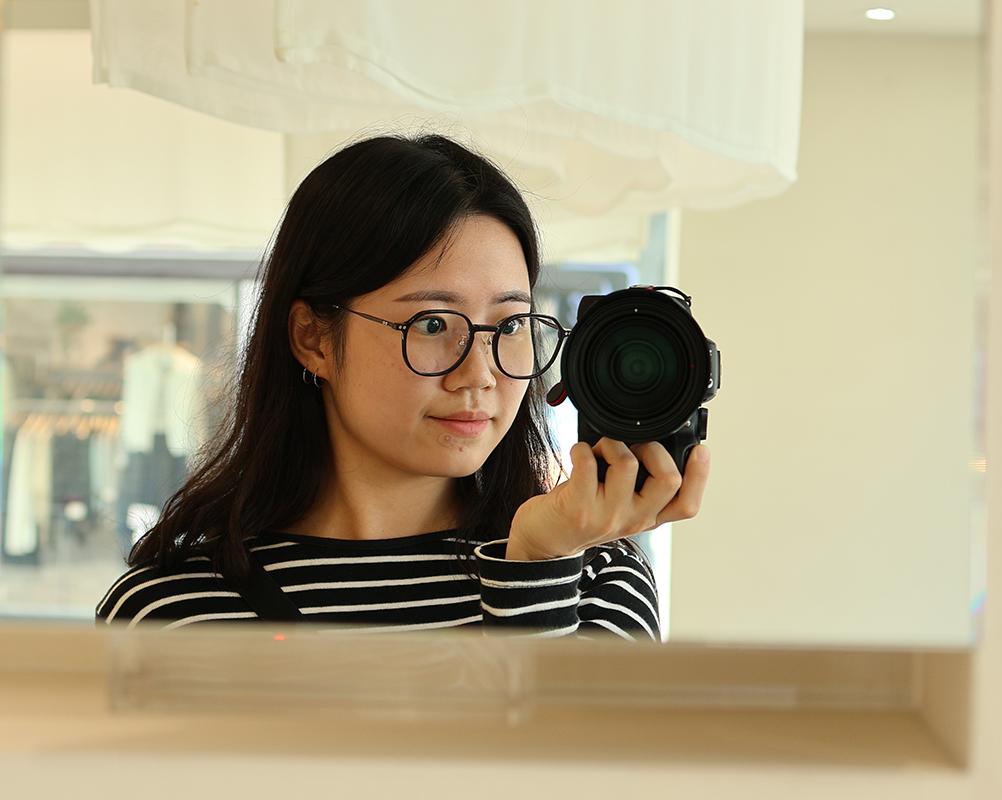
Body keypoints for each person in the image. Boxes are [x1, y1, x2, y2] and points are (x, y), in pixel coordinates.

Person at [95, 133, 710, 640]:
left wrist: (538, 566)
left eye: (512, 323)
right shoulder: (172, 610)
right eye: (434, 323)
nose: (480, 373)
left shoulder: (596, 573)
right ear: (313, 338)